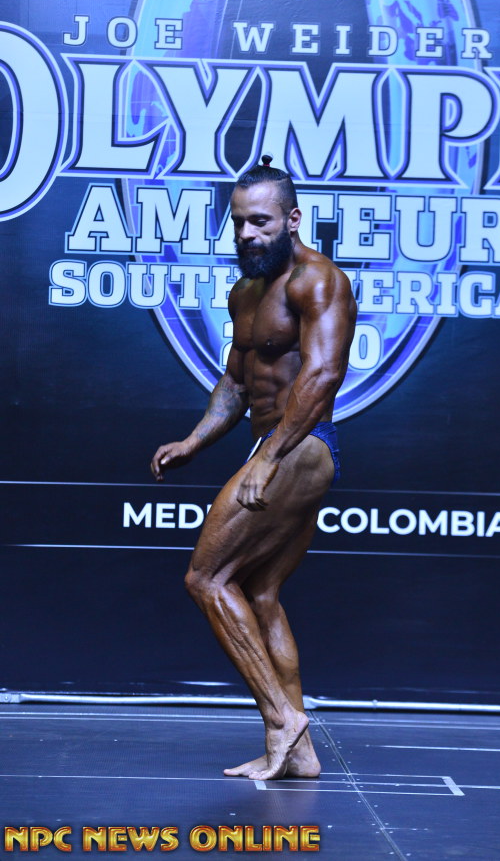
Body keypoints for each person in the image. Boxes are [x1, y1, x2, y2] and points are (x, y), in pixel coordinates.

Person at [150, 157, 357, 780]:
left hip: (302, 446)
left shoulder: (318, 281)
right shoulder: (245, 291)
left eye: (260, 222)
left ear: (292, 219)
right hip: (273, 446)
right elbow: (237, 384)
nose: (247, 234)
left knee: (206, 578)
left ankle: (281, 719)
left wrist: (268, 458)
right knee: (260, 593)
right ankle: (301, 756)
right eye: (239, 222)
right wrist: (194, 441)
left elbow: (322, 377)